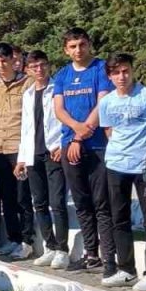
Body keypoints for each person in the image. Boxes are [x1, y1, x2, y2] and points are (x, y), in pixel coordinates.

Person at [97, 54, 146, 291]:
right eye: (116, 73)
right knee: (119, 218)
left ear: (132, 71)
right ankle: (126, 269)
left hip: (144, 166)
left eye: (125, 71)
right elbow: (108, 130)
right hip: (116, 165)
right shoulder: (106, 102)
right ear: (110, 76)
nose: (121, 77)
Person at [52, 28, 115, 273]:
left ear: (89, 45)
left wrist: (82, 133)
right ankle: (91, 254)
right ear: (66, 50)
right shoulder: (62, 75)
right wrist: (76, 132)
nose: (78, 50)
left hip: (97, 144)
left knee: (102, 203)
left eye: (82, 44)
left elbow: (103, 102)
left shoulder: (100, 69)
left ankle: (109, 258)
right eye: (73, 46)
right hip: (71, 144)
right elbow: (59, 110)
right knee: (81, 203)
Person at [14, 50, 68, 269]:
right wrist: (21, 158)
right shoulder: (27, 95)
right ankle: (50, 245)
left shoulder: (58, 90)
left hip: (53, 151)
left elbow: (65, 119)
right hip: (32, 155)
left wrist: (63, 145)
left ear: (49, 66)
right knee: (40, 203)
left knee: (57, 202)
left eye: (43, 65)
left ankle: (63, 249)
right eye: (34, 66)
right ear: (27, 69)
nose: (39, 70)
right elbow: (26, 128)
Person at [0, 42, 33, 259]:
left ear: (13, 61)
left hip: (19, 146)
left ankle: (27, 240)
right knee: (6, 197)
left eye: (4, 60)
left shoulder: (27, 83)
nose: (1, 64)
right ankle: (13, 239)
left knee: (23, 197)